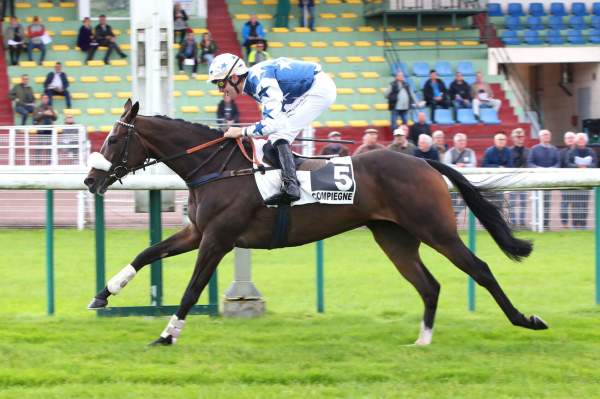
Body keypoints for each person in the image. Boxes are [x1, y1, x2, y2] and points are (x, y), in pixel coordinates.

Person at [211, 54, 336, 205]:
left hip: (318, 89)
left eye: (220, 83)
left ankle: (291, 188)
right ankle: (290, 184)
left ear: (235, 78)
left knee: (279, 134)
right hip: (304, 91)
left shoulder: (260, 82)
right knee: (275, 139)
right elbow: (270, 122)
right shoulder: (252, 82)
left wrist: (241, 131)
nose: (220, 90)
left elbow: (272, 124)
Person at [527, 129, 560, 229]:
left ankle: (546, 224)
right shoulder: (534, 149)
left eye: (548, 135)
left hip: (549, 180)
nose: (546, 136)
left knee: (547, 202)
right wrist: (538, 169)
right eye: (544, 135)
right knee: (537, 201)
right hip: (537, 180)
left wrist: (552, 169)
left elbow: (558, 162)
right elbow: (529, 162)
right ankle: (537, 222)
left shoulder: (554, 149)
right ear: (540, 137)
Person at [567, 133, 597, 228]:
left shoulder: (590, 151)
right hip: (575, 180)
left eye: (583, 139)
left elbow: (595, 163)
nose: (581, 141)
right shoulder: (571, 152)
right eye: (579, 139)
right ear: (576, 141)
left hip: (586, 180)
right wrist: (577, 167)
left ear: (586, 140)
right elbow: (568, 163)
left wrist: (587, 167)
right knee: (575, 203)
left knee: (585, 203)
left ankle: (583, 224)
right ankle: (575, 224)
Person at [444, 133, 476, 216]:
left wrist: (465, 165)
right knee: (452, 200)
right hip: (453, 181)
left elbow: (473, 164)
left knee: (466, 200)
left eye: (464, 140)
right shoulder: (449, 152)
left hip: (466, 181)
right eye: (459, 140)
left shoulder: (470, 152)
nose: (462, 142)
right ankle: (452, 216)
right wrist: (456, 166)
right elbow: (445, 165)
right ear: (455, 143)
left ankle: (455, 214)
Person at [509, 128, 529, 228]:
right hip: (512, 180)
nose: (519, 139)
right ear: (513, 138)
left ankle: (521, 222)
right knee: (512, 202)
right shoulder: (509, 151)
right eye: (517, 137)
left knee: (523, 202)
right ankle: (513, 222)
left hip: (523, 180)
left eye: (521, 137)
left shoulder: (528, 151)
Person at [559, 131, 577, 227]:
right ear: (565, 141)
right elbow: (559, 166)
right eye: (568, 138)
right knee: (565, 203)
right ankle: (564, 223)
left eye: (572, 137)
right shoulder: (561, 153)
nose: (570, 139)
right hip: (565, 181)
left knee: (577, 203)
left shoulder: (578, 151)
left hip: (577, 182)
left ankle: (575, 223)